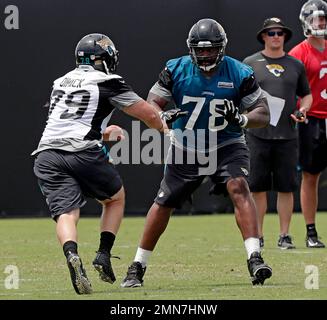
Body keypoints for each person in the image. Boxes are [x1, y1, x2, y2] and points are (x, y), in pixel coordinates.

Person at [121, 18, 272, 288]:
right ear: (191, 49)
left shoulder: (239, 71)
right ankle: (137, 266)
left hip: (227, 144)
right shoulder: (174, 68)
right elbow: (152, 103)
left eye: (210, 49)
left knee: (239, 187)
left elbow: (264, 112)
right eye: (199, 50)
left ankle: (255, 257)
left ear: (221, 48)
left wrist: (242, 119)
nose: (205, 55)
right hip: (186, 145)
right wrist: (161, 115)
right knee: (164, 202)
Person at [32, 33, 169, 294]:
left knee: (67, 213)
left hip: (47, 153)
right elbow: (148, 114)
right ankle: (103, 254)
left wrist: (105, 133)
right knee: (115, 199)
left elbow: (67, 122)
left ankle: (72, 253)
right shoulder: (107, 81)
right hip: (83, 153)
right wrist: (164, 128)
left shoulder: (61, 82)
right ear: (105, 59)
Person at [243, 17, 312, 249]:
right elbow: (240, 95)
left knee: (286, 187)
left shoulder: (295, 64)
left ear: (284, 36)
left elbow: (307, 95)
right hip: (257, 135)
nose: (275, 37)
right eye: (271, 33)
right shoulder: (250, 63)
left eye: (279, 33)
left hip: (288, 135)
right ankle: (258, 235)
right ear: (263, 36)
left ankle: (284, 235)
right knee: (257, 187)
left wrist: (303, 109)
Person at [289, 0, 327, 248]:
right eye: (316, 19)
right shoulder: (298, 53)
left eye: (323, 18)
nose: (321, 23)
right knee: (310, 176)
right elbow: (288, 89)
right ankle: (311, 231)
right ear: (306, 22)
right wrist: (297, 110)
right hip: (312, 118)